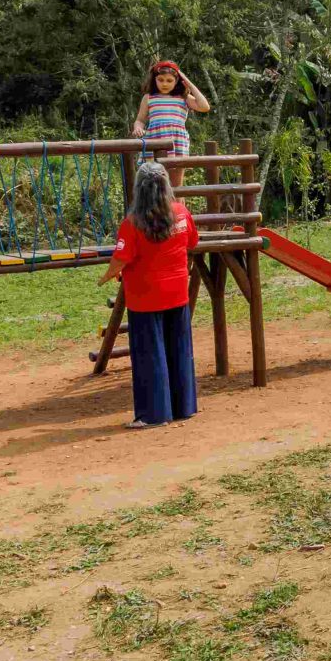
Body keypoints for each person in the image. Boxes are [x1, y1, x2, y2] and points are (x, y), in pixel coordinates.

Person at [101, 160, 200, 428]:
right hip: (178, 293)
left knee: (150, 355)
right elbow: (192, 242)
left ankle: (153, 415)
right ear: (167, 186)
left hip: (145, 299)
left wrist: (103, 278)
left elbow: (120, 260)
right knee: (179, 349)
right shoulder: (181, 213)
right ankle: (184, 406)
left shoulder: (133, 223)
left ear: (138, 189)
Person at [132, 59, 212, 159]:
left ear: (177, 81)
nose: (164, 84)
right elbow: (140, 120)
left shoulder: (184, 97)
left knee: (176, 173)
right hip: (154, 142)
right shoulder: (149, 97)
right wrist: (138, 128)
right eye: (160, 80)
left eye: (169, 80)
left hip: (177, 142)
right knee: (153, 173)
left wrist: (188, 83)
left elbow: (204, 107)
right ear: (154, 80)